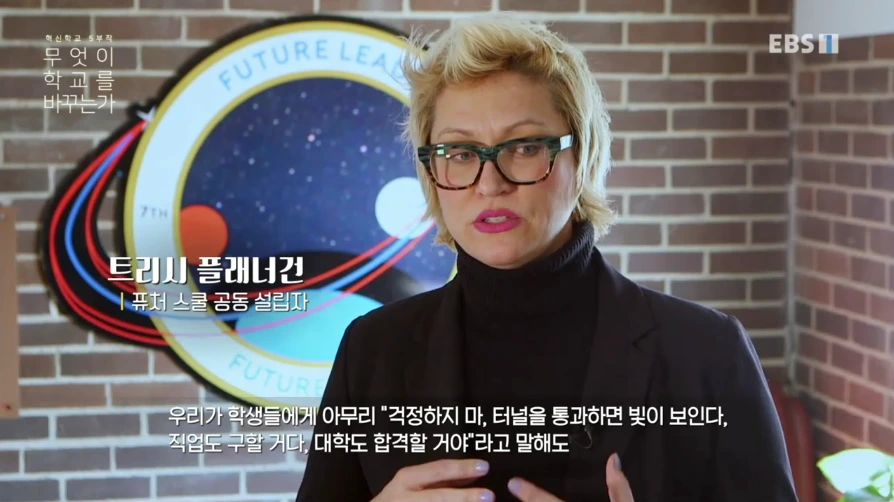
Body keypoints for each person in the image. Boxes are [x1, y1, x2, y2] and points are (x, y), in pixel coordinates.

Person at [295, 15, 799, 502]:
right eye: (461, 153)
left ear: (583, 158)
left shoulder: (707, 353)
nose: (490, 183)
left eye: (524, 147)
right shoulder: (372, 350)